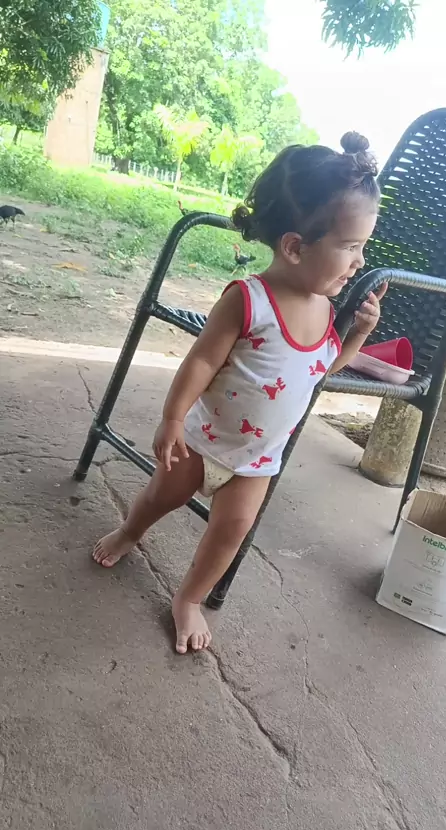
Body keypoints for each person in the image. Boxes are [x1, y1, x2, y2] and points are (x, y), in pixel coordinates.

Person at [93, 131, 386, 654]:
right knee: (161, 496)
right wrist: (173, 417)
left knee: (231, 531)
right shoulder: (249, 300)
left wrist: (358, 335)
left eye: (362, 247)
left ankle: (189, 598)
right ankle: (130, 532)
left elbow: (320, 369)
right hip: (203, 440)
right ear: (294, 246)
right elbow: (202, 360)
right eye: (350, 247)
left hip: (258, 460)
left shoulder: (326, 309)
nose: (360, 261)